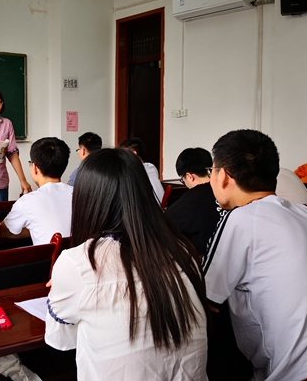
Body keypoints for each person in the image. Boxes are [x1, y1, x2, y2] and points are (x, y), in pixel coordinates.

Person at [45, 148, 208, 381]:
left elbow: (60, 339)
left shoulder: (78, 262)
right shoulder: (182, 251)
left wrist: (60, 288)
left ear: (85, 200)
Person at [203, 129, 307, 381]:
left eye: (211, 171)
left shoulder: (240, 219)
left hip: (296, 375)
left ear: (223, 175)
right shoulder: (306, 213)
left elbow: (203, 297)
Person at [1, 137, 72, 244]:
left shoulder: (27, 201)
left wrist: (35, 228)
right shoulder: (80, 194)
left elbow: (4, 232)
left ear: (34, 167)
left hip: (50, 255)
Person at [165, 147, 222, 255]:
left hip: (203, 260)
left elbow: (163, 224)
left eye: (182, 180)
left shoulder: (190, 200)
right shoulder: (224, 191)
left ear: (189, 176)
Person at [119, 137, 165, 203]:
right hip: (160, 207)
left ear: (134, 153)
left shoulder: (132, 170)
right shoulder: (151, 167)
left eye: (124, 154)